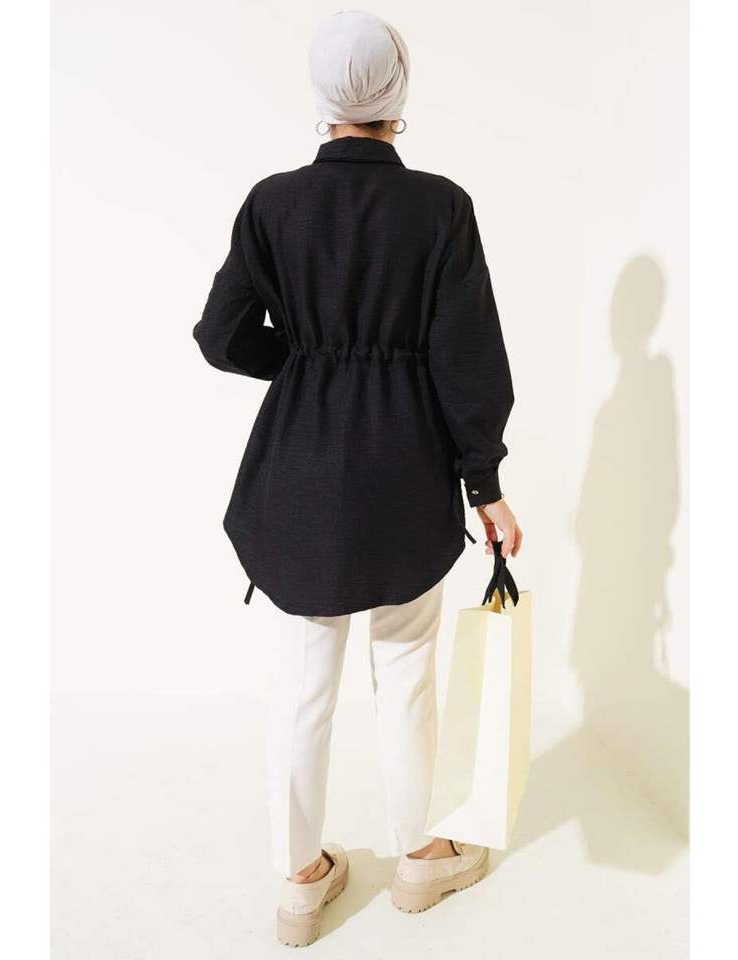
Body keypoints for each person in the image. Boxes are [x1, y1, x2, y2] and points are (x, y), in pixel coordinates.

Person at [193, 9, 521, 947]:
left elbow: (220, 336)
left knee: (304, 682)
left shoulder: (272, 204)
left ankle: (301, 880)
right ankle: (419, 857)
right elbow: (468, 360)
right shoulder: (441, 208)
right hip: (407, 472)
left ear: (321, 95)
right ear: (398, 92)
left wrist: (307, 362)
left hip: (300, 474)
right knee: (408, 670)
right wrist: (486, 485)